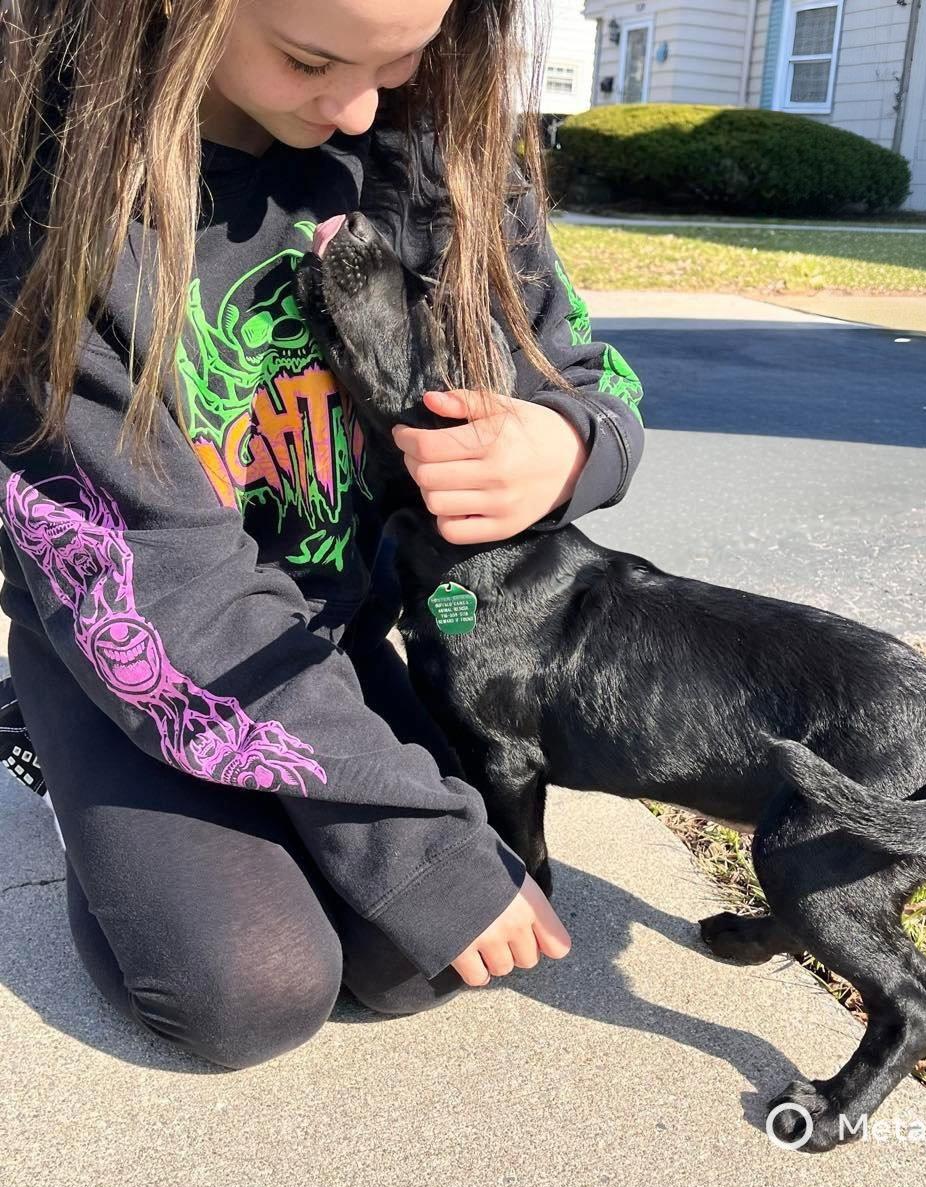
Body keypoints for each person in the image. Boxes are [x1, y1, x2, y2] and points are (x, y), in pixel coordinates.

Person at [0, 0, 646, 1070]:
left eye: (399, 61)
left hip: (325, 632)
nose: (357, 108)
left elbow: (586, 371)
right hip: (134, 629)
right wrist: (422, 845)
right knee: (248, 990)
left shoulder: (423, 131)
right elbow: (173, 596)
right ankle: (61, 745)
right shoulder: (52, 201)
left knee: (415, 957)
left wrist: (571, 445)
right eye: (311, 60)